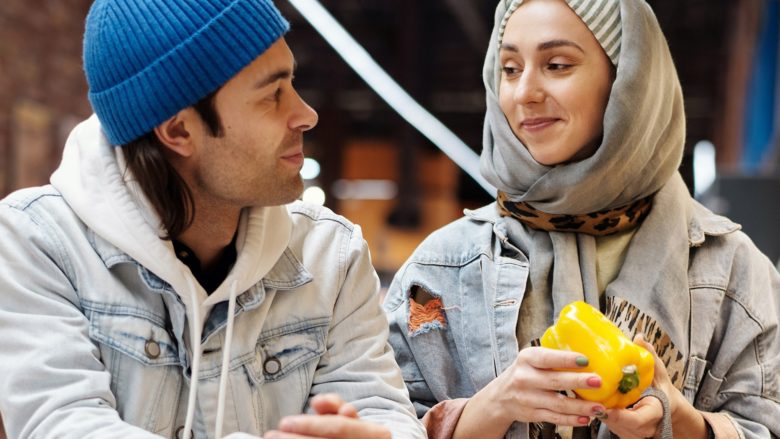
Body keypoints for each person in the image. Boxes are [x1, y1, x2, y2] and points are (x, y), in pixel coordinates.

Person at [0, 1, 426, 438]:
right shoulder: (39, 242)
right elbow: (64, 426)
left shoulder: (329, 255)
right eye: (272, 96)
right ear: (179, 131)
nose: (305, 114)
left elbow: (386, 414)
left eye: (292, 84)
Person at [384, 0, 780, 438]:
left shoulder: (730, 269)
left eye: (556, 64)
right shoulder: (439, 270)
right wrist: (494, 406)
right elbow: (380, 424)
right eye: (510, 68)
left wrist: (684, 423)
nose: (524, 92)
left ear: (629, 81)